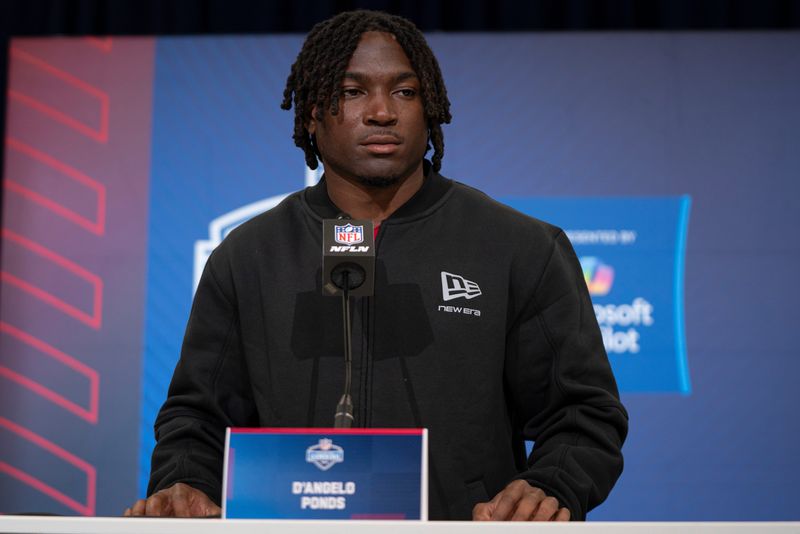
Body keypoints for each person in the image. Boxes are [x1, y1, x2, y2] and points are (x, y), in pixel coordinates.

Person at [124, 9, 627, 521]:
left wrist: (550, 485)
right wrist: (183, 482)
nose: (382, 112)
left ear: (430, 108)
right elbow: (197, 418)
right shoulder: (248, 256)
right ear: (312, 112)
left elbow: (582, 414)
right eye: (352, 91)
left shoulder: (519, 246)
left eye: (405, 92)